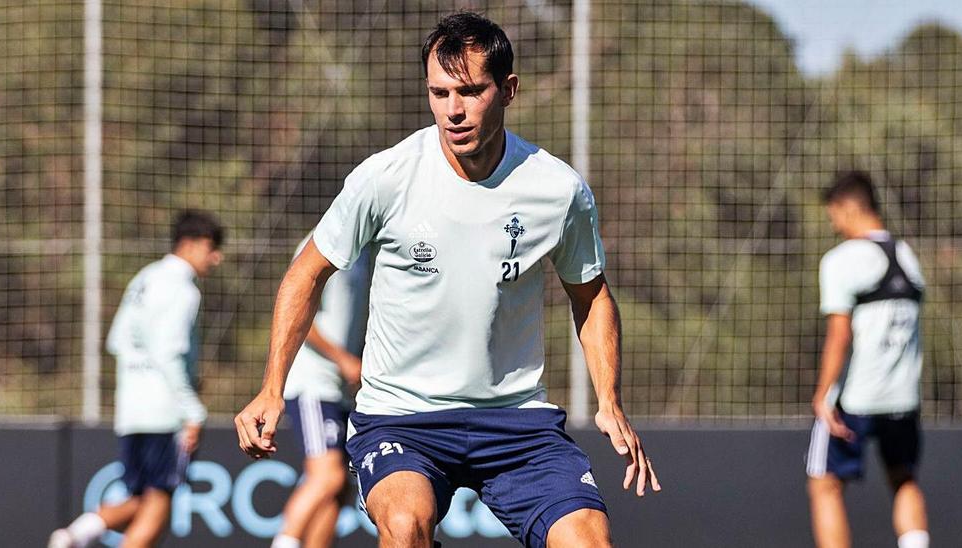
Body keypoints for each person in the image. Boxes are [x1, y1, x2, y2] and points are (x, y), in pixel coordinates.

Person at [236, 12, 659, 548]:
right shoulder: (386, 176)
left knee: (589, 539)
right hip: (401, 416)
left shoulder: (557, 189)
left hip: (515, 420)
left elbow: (591, 295)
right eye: (439, 93)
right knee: (405, 524)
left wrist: (609, 398)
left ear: (508, 90)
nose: (452, 111)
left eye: (470, 91)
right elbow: (305, 274)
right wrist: (272, 387)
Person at [49, 212, 223, 548]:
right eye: (212, 248)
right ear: (190, 245)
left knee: (140, 499)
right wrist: (192, 410)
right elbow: (169, 353)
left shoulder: (144, 278)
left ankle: (75, 534)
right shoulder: (184, 290)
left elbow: (117, 340)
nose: (216, 258)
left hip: (131, 410)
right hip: (165, 413)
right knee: (160, 503)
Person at [807, 171, 929, 548]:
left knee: (824, 484)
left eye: (834, 215)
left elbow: (840, 333)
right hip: (903, 400)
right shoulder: (908, 256)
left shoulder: (842, 259)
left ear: (847, 208)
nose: (833, 224)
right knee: (903, 479)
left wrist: (823, 393)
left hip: (856, 400)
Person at [272, 234, 370, 548]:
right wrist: (342, 359)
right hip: (314, 384)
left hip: (340, 390)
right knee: (327, 476)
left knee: (338, 490)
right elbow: (298, 311)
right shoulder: (326, 238)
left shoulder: (369, 251)